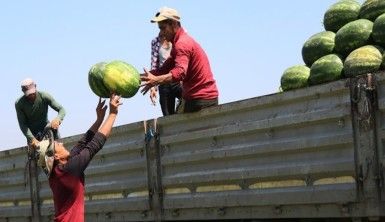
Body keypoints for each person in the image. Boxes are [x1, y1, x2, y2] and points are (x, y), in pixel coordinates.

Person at [37, 94, 122, 222]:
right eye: (57, 144)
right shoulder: (68, 171)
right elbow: (94, 144)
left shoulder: (59, 171)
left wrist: (99, 119)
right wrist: (113, 113)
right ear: (56, 156)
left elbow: (83, 143)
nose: (61, 143)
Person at [141, 7, 219, 113]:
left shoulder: (182, 44)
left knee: (175, 127)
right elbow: (164, 69)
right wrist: (139, 77)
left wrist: (156, 80)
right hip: (199, 98)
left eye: (163, 28)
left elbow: (180, 72)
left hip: (201, 99)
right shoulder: (179, 42)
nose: (161, 33)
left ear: (173, 24)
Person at [15, 78, 66, 148]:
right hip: (33, 136)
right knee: (38, 155)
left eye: (33, 92)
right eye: (29, 94)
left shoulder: (44, 96)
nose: (31, 95)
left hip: (47, 130)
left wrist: (58, 119)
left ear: (35, 86)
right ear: (23, 91)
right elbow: (22, 124)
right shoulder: (19, 104)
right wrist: (31, 138)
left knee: (59, 152)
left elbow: (61, 109)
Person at [149, 32, 182, 116]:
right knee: (167, 114)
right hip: (163, 82)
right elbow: (154, 65)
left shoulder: (177, 39)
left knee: (187, 99)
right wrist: (153, 87)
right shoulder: (155, 41)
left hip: (177, 79)